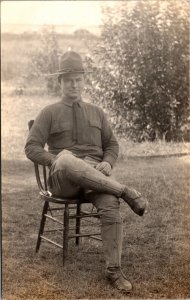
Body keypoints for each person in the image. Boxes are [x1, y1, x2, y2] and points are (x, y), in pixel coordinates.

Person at [25, 51, 148, 293]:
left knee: (110, 203)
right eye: (69, 79)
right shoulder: (49, 112)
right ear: (59, 82)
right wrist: (55, 160)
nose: (74, 84)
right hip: (64, 178)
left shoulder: (97, 112)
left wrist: (108, 163)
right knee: (68, 158)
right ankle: (125, 190)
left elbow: (112, 145)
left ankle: (114, 270)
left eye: (78, 79)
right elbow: (31, 147)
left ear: (84, 81)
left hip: (96, 178)